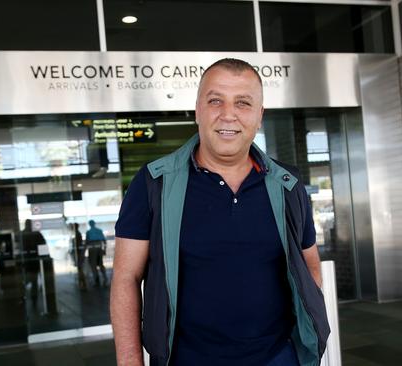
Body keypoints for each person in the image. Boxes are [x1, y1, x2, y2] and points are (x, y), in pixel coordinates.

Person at [111, 58, 329, 366]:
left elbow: (311, 267)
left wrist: (302, 333)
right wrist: (130, 361)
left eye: (243, 103)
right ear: (198, 109)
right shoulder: (153, 184)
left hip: (278, 357)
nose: (228, 115)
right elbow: (126, 277)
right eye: (215, 101)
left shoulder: (287, 186)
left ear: (259, 115)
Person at [22, 219, 46, 305]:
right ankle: (34, 298)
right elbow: (43, 244)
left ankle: (26, 296)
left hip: (27, 261)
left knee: (29, 279)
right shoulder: (36, 233)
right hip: (35, 260)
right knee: (34, 280)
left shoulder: (23, 234)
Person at [85, 219, 108, 287]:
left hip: (92, 248)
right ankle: (104, 277)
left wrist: (83, 251)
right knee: (100, 264)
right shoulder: (99, 231)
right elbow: (104, 241)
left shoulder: (88, 232)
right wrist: (104, 250)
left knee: (93, 265)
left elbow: (87, 242)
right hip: (99, 247)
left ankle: (97, 279)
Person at [71, 223, 87, 291]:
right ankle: (82, 283)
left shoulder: (77, 234)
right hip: (79, 253)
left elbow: (77, 245)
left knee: (80, 269)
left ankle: (83, 283)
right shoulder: (77, 234)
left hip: (78, 254)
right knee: (80, 268)